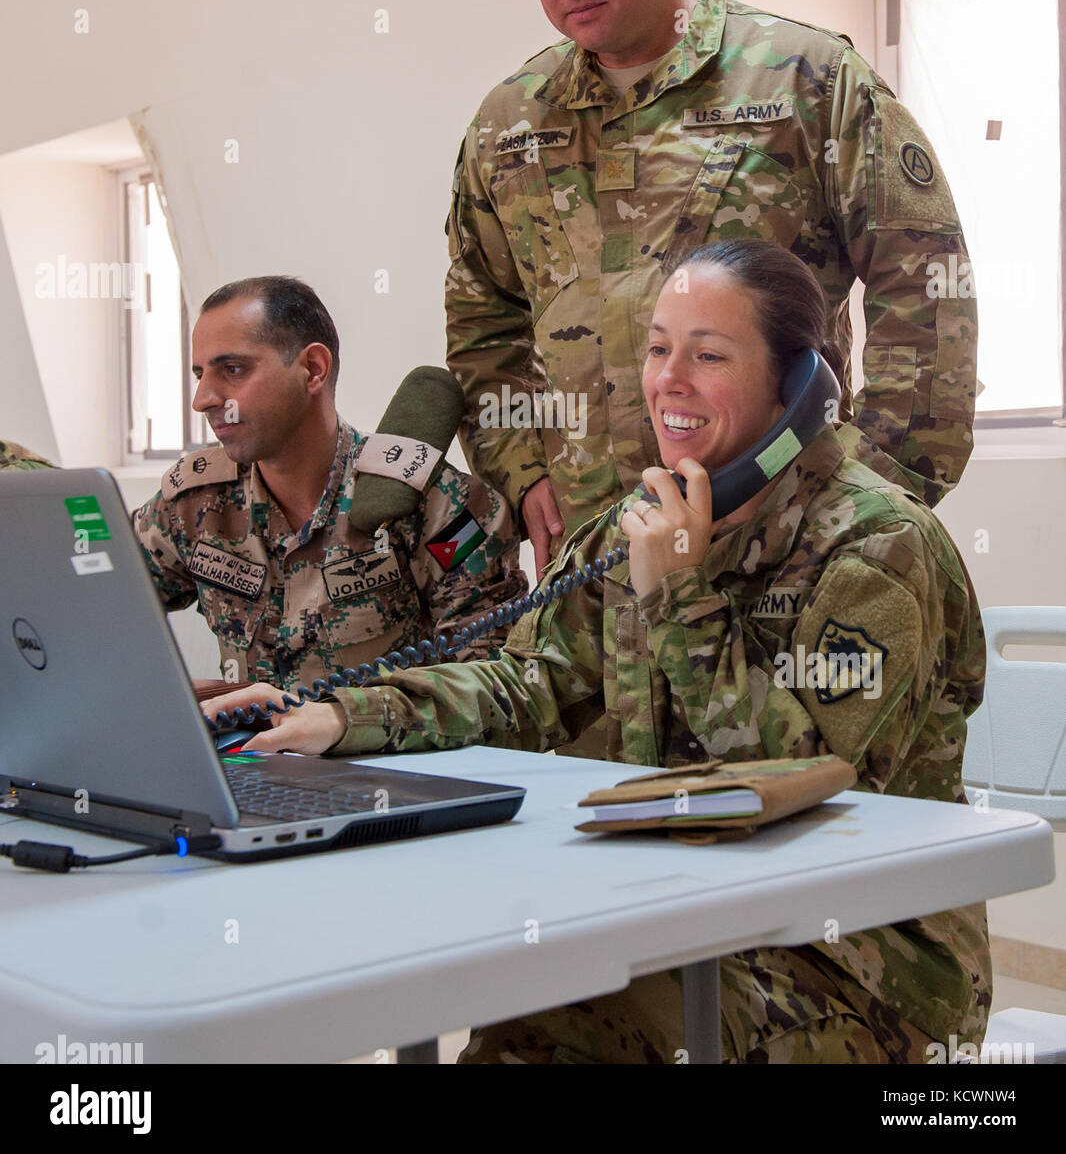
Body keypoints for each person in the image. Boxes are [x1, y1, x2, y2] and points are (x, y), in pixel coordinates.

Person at [214, 239, 989, 1062]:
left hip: (857, 967)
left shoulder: (878, 548)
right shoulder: (643, 518)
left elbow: (819, 790)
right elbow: (525, 683)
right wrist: (338, 715)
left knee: (559, 1031)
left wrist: (679, 597)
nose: (669, 380)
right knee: (511, 1004)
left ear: (796, 385)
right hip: (676, 911)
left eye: (710, 354)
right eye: (658, 349)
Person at [444, 0, 977, 579]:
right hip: (598, 559)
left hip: (781, 548)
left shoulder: (805, 81)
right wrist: (520, 467)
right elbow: (482, 317)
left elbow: (923, 280)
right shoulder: (509, 126)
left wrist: (876, 492)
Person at [133, 276, 526, 729]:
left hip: (390, 778)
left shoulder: (440, 507)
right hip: (250, 767)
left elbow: (498, 696)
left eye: (233, 370)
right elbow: (97, 603)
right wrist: (176, 692)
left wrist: (343, 722)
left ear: (314, 369)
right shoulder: (195, 504)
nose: (204, 399)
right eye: (201, 374)